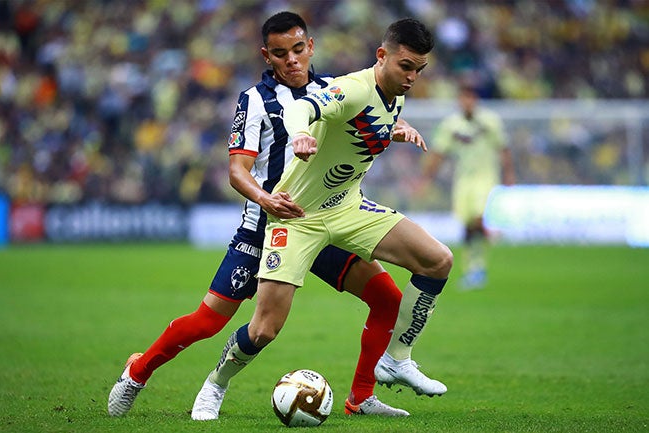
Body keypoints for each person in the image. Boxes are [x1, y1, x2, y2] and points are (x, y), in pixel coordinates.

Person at [108, 11, 421, 419]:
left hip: (323, 222)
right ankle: (139, 372)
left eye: (297, 49)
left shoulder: (334, 90)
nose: (291, 60)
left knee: (388, 299)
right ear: (266, 55)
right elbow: (237, 171)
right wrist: (266, 199)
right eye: (280, 53)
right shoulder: (255, 100)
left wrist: (395, 129)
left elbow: (370, 121)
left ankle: (361, 399)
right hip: (267, 226)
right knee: (212, 321)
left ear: (310, 47)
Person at [191, 17, 453, 421]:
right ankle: (216, 384)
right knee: (263, 330)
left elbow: (366, 127)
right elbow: (304, 107)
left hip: (347, 208)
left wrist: (396, 129)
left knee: (438, 260)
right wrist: (299, 133)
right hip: (298, 218)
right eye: (406, 66)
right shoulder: (352, 87)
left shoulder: (394, 94)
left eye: (420, 68)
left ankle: (396, 359)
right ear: (382, 56)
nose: (413, 76)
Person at [427, 82, 515, 289]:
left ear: (476, 99)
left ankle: (484, 247)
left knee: (477, 218)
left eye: (470, 97)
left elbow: (503, 148)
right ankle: (474, 268)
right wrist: (426, 177)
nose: (467, 102)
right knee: (467, 225)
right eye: (463, 97)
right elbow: (439, 152)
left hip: (486, 178)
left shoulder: (490, 121)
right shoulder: (451, 124)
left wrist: (509, 174)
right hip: (463, 180)